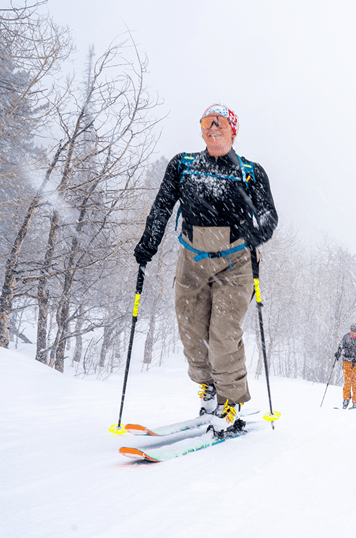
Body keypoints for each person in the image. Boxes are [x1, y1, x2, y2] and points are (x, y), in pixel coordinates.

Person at [134, 104, 278, 437]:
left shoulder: (250, 171)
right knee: (191, 334)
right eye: (206, 123)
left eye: (220, 124)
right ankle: (209, 389)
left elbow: (270, 216)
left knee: (223, 334)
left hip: (235, 260)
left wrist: (257, 230)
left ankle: (230, 401)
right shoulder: (183, 165)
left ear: (233, 130)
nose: (213, 129)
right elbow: (162, 207)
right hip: (192, 258)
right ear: (201, 130)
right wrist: (148, 245)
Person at [334, 323, 356, 409]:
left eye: (355, 332)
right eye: (352, 331)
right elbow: (341, 346)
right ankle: (346, 399)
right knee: (347, 382)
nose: (353, 333)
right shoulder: (346, 337)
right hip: (347, 361)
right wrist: (338, 353)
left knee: (355, 382)